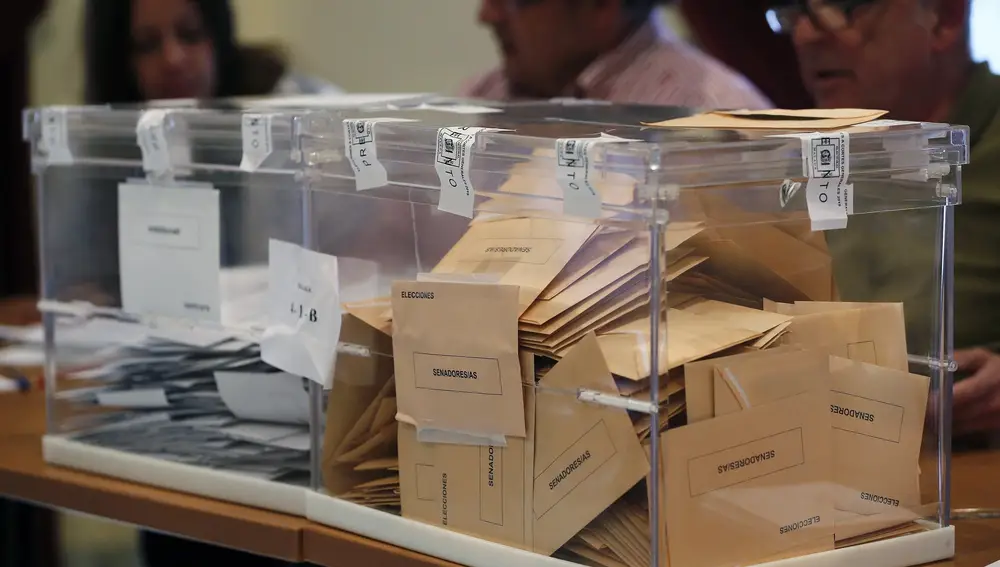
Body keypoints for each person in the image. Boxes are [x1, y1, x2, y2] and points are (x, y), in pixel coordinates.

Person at [771, 0, 1000, 436]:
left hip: (972, 472)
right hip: (825, 460)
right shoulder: (800, 147)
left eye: (842, 8)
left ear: (944, 20)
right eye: (795, 10)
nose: (805, 35)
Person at [462, 0, 771, 109]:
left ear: (602, 5)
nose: (486, 15)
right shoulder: (480, 97)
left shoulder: (715, 127)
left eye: (510, 1)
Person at [84, 0, 339, 103]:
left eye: (190, 34)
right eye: (147, 44)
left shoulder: (290, 99)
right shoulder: (92, 147)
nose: (173, 59)